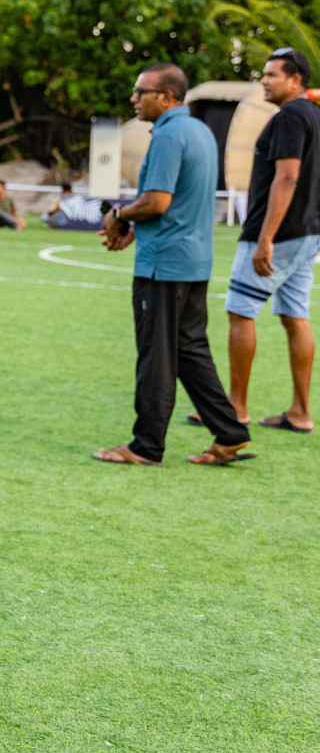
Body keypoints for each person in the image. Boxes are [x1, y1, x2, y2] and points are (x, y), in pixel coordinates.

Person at [93, 62, 251, 467]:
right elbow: (176, 203)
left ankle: (146, 446)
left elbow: (157, 201)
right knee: (191, 351)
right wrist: (135, 227)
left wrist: (119, 217)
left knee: (156, 355)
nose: (134, 99)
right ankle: (230, 432)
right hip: (194, 262)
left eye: (140, 92)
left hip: (163, 267)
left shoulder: (167, 136)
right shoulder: (198, 131)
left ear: (165, 97)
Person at [216, 48, 320, 433]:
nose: (263, 80)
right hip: (307, 233)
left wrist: (265, 239)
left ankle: (236, 408)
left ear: (295, 80)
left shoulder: (292, 116)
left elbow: (288, 177)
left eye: (272, 74)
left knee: (241, 311)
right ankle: (300, 412)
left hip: (279, 235)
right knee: (296, 317)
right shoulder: (312, 115)